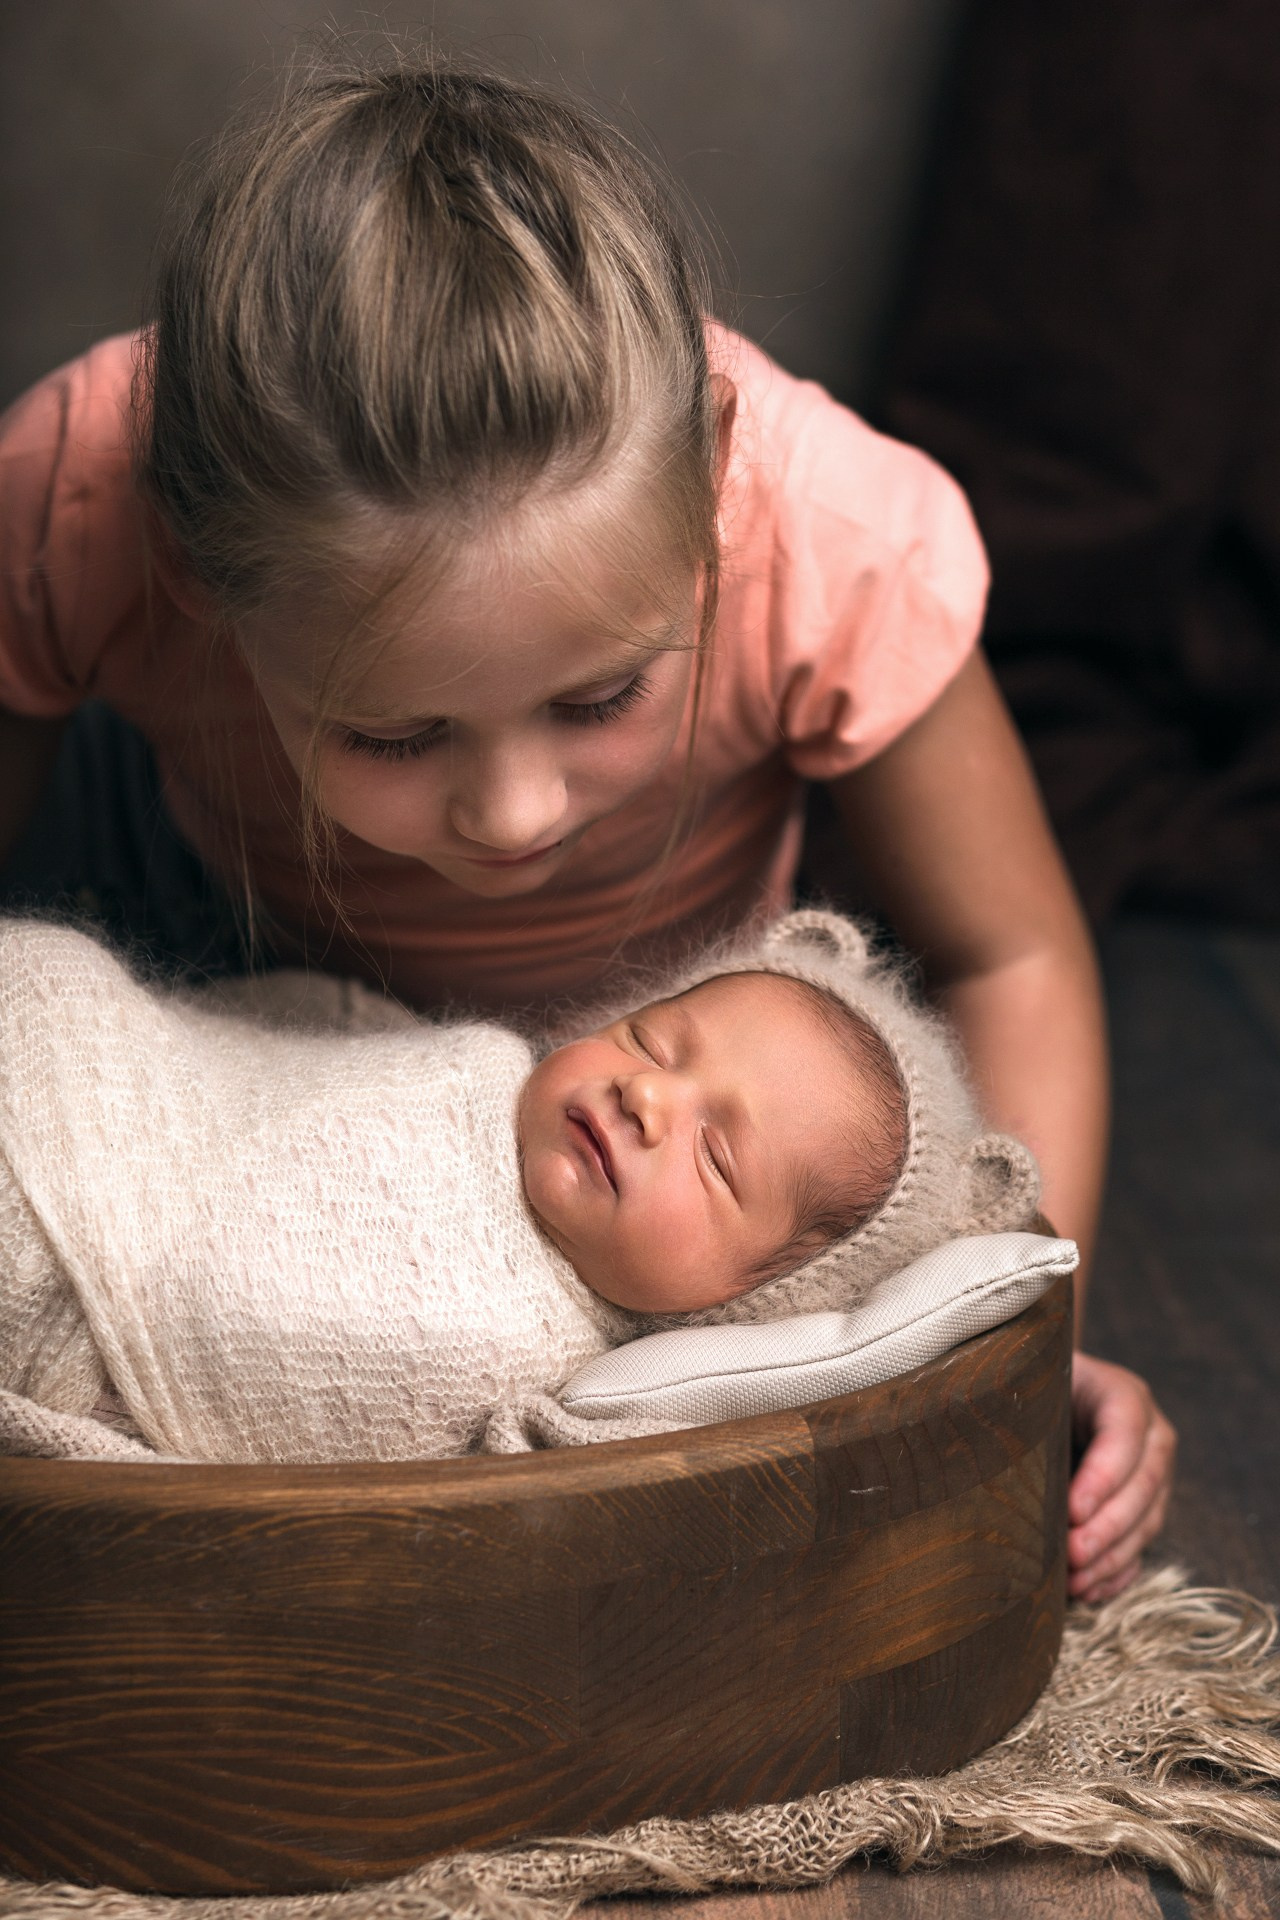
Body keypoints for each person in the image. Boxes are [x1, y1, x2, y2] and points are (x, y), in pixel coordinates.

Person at [0, 55, 1171, 1591]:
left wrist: (1019, 1341)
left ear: (711, 510)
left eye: (602, 695)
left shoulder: (826, 532)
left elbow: (1008, 949)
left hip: (685, 1099)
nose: (512, 812)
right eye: (397, 731)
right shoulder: (81, 496)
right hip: (228, 947)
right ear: (203, 582)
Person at [0, 908, 1037, 1464]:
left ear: (748, 1301)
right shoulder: (478, 1072)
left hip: (66, 1289)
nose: (645, 1097)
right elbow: (259, 1077)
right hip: (89, 1084)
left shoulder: (560, 1385)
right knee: (47, 983)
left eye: (715, 1159)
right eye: (651, 1039)